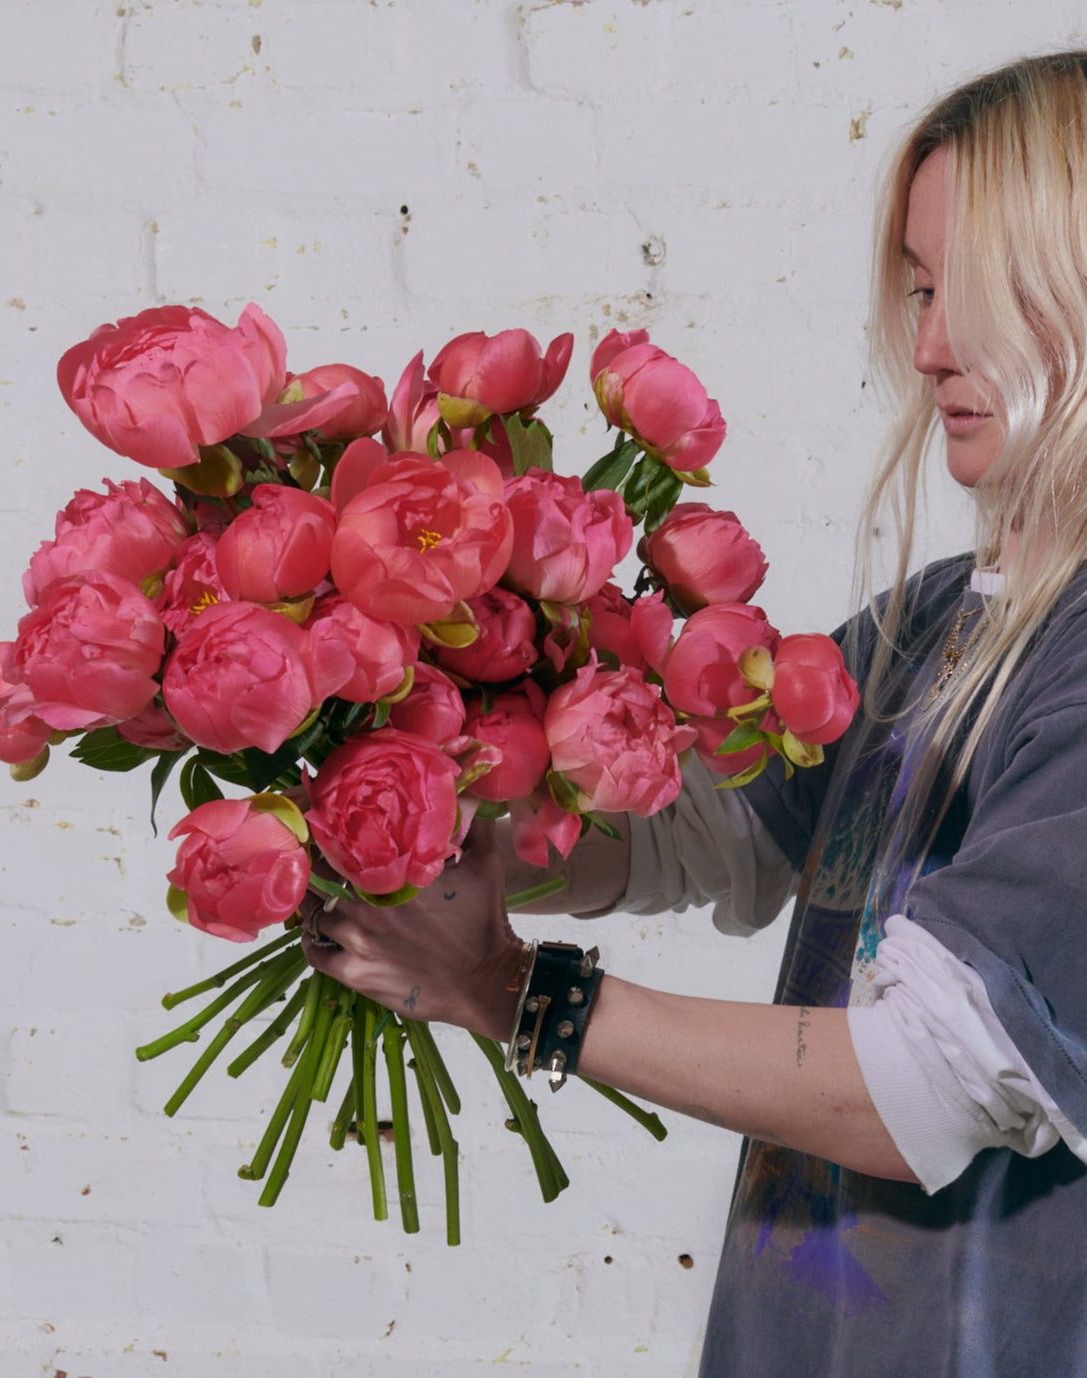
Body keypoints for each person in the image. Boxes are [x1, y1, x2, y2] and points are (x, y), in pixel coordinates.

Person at [301, 51, 1087, 1376]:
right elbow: (705, 833)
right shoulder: (938, 617)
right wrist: (416, 802)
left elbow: (920, 1086)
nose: (928, 346)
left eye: (976, 292)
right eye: (918, 286)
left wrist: (504, 989)